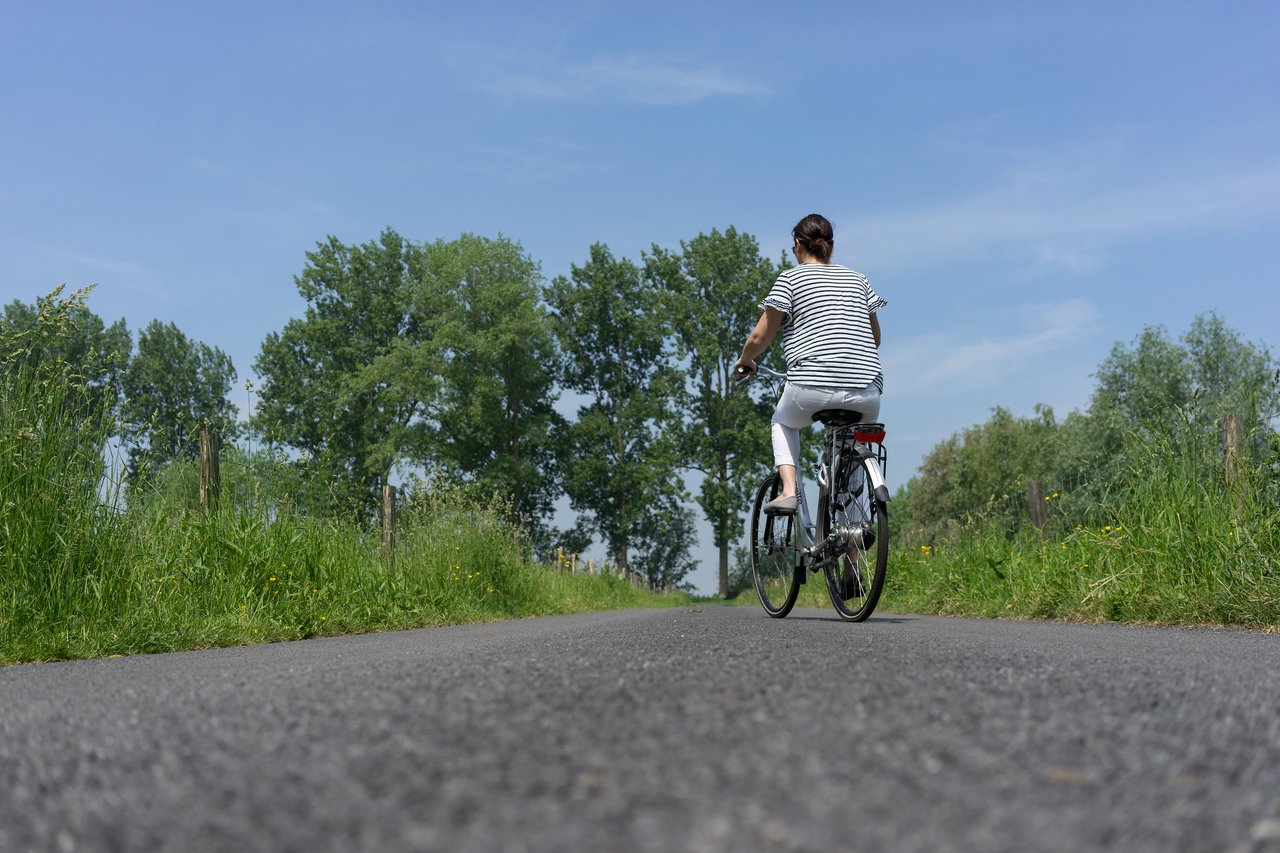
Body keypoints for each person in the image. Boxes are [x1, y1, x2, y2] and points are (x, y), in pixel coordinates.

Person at [733, 213, 885, 515]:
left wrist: (745, 360)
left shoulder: (790, 279)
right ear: (831, 245)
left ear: (798, 245)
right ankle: (852, 540)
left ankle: (789, 491)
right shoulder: (859, 279)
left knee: (782, 421)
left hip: (810, 385)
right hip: (867, 391)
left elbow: (760, 337)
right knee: (850, 452)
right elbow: (875, 338)